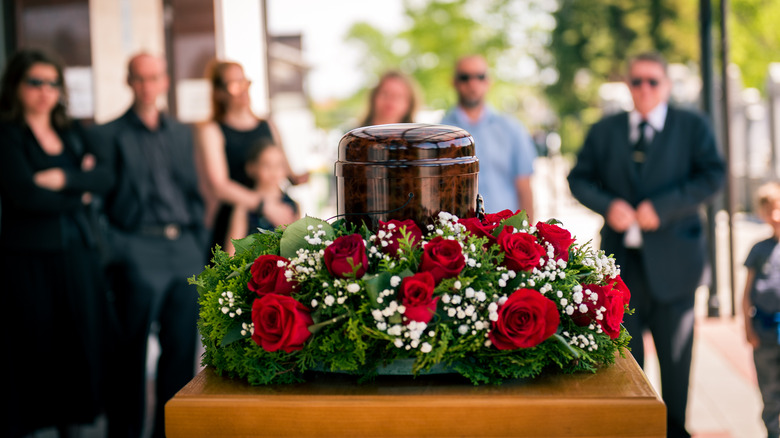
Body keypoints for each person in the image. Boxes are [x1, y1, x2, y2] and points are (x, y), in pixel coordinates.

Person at [567, 51, 725, 438]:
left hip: (677, 265)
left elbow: (713, 175)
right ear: (627, 85)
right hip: (622, 268)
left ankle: (675, 431)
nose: (644, 89)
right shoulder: (606, 130)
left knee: (675, 365)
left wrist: (665, 207)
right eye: (636, 81)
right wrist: (609, 204)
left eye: (653, 81)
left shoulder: (692, 126)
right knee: (627, 364)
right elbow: (579, 178)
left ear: (666, 85)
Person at [92, 53, 206, 438]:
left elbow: (192, 191)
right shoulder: (108, 134)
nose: (146, 85)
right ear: (130, 82)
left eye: (153, 77)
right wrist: (117, 249)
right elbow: (99, 201)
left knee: (179, 356)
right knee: (129, 357)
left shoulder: (180, 132)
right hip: (136, 247)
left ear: (165, 82)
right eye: (139, 78)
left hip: (183, 249)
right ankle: (124, 432)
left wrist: (197, 243)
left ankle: (167, 432)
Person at [0, 49, 112, 437]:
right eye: (35, 82)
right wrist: (77, 188)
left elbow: (103, 178)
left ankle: (75, 424)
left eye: (52, 83)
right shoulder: (7, 134)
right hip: (29, 257)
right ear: (16, 86)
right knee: (36, 342)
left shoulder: (70, 132)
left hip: (78, 251)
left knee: (79, 340)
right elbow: (23, 195)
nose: (45, 91)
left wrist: (62, 180)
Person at [195, 60, 307, 262]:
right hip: (237, 216)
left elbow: (286, 170)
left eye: (245, 82)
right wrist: (265, 206)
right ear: (220, 92)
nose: (243, 90)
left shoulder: (268, 125)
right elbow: (219, 185)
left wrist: (297, 178)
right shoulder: (212, 130)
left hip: (275, 209)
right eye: (234, 85)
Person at [440, 54, 536, 220]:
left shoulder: (513, 129)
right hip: (457, 236)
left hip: (505, 234)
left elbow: (524, 188)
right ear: (454, 82)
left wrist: (527, 234)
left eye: (480, 76)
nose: (473, 83)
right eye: (465, 77)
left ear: (488, 82)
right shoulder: (439, 133)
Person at [742, 181, 780, 438]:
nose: (775, 215)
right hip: (765, 329)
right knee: (769, 390)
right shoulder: (759, 249)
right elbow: (746, 294)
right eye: (769, 210)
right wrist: (747, 327)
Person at [224, 139, 300, 255]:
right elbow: (231, 252)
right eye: (266, 165)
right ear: (251, 168)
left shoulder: (293, 205)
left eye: (279, 165)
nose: (274, 171)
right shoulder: (244, 207)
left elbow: (297, 246)